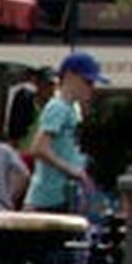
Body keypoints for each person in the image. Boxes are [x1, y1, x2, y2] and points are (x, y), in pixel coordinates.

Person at [26, 50, 100, 214]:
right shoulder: (58, 107)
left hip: (63, 194)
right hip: (47, 197)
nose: (91, 88)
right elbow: (39, 147)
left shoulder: (73, 108)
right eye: (87, 82)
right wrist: (73, 172)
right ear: (70, 77)